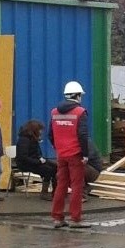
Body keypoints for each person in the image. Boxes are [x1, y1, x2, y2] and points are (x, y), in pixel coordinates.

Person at [48, 81, 91, 229]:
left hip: (61, 154)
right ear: (77, 96)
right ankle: (75, 218)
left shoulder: (54, 112)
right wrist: (85, 154)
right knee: (77, 186)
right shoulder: (80, 112)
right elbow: (83, 135)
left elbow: (50, 134)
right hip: (75, 154)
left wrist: (58, 147)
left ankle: (57, 218)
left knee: (61, 185)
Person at [15, 119, 57, 201]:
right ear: (34, 130)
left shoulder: (32, 138)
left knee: (56, 166)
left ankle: (56, 192)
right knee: (48, 170)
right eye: (39, 130)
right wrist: (38, 161)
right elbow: (23, 157)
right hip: (25, 164)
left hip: (34, 161)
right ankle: (44, 193)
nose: (41, 132)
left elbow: (36, 152)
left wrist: (40, 158)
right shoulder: (24, 140)